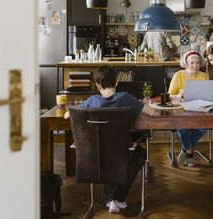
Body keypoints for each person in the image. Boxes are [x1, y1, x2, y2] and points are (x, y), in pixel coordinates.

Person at [64, 65, 154, 214]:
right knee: (139, 154)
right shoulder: (125, 98)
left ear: (97, 85)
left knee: (107, 159)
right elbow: (151, 112)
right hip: (121, 150)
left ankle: (112, 200)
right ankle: (116, 198)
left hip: (94, 153)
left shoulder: (92, 101)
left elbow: (69, 115)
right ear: (117, 82)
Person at [168, 51, 208, 167]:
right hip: (181, 111)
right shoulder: (178, 75)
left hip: (199, 111)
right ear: (186, 63)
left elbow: (207, 95)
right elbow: (169, 96)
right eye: (192, 63)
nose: (195, 66)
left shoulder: (204, 76)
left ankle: (185, 149)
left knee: (202, 129)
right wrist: (179, 95)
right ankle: (190, 154)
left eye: (197, 63)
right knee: (182, 128)